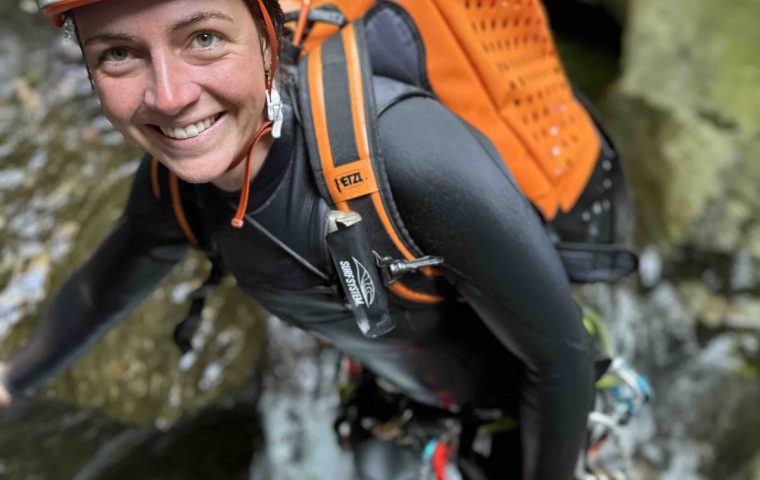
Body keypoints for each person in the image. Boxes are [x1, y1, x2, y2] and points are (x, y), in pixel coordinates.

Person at [0, 0, 603, 477]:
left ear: (268, 34)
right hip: (401, 402)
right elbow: (96, 295)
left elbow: (561, 360)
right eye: (118, 55)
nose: (170, 96)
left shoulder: (408, 156)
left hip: (538, 420)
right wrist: (10, 381)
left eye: (203, 38)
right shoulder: (177, 189)